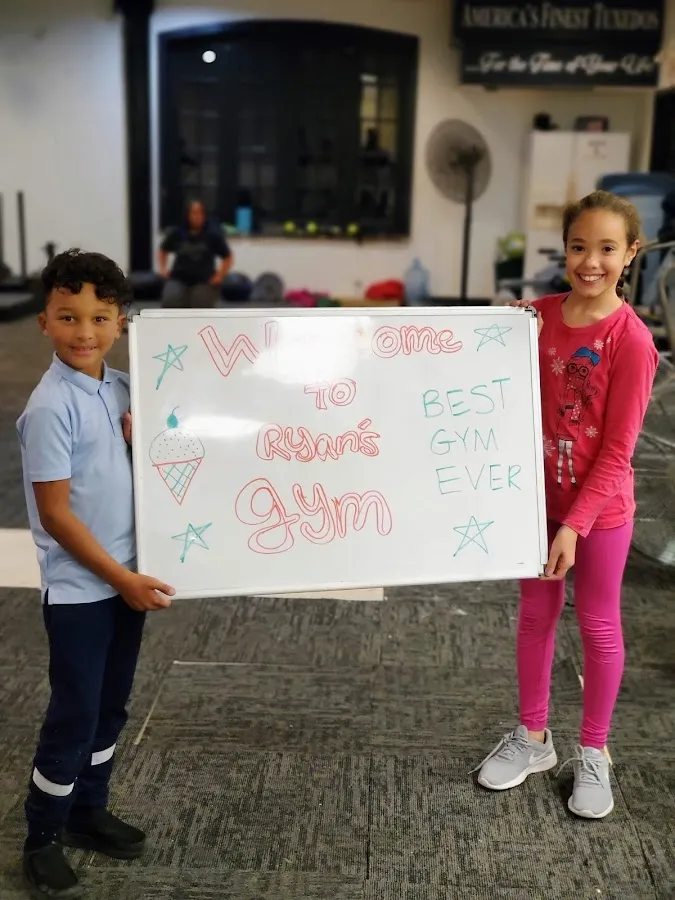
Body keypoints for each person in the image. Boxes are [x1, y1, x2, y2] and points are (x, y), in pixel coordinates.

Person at [474, 191, 659, 820]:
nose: (590, 261)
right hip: (536, 503)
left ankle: (595, 751)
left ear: (630, 254)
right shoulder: (537, 317)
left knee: (599, 626)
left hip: (599, 514)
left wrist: (575, 525)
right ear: (565, 249)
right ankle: (533, 738)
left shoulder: (631, 341)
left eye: (607, 248)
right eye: (579, 247)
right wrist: (499, 331)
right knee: (535, 616)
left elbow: (618, 451)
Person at [16, 249, 176, 898]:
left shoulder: (124, 388)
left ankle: (88, 809)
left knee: (111, 705)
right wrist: (121, 577)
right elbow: (57, 515)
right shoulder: (50, 407)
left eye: (99, 318)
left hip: (126, 581)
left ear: (120, 323)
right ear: (44, 322)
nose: (84, 331)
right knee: (76, 712)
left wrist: (143, 446)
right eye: (68, 317)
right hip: (83, 591)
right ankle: (42, 835)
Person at [158, 199, 233, 308]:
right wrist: (163, 269)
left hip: (204, 281)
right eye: (193, 213)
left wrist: (219, 276)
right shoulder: (178, 233)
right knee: (170, 302)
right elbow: (163, 250)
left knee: (199, 304)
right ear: (188, 215)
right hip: (179, 278)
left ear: (204, 215)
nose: (197, 216)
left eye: (200, 213)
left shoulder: (213, 234)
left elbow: (227, 257)